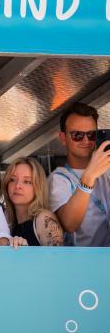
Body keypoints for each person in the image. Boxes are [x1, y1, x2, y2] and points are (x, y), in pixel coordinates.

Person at [47, 102, 110, 246]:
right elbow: (69, 224)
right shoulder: (58, 178)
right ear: (63, 138)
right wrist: (89, 176)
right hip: (82, 258)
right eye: (77, 135)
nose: (86, 140)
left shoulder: (106, 172)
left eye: (91, 135)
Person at [2, 157, 63, 246]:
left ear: (38, 187)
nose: (17, 186)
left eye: (27, 182)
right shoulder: (7, 218)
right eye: (12, 180)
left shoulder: (43, 218)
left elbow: (58, 254)